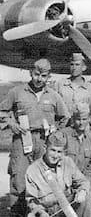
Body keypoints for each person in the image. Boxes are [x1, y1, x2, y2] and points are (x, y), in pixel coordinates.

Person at [0, 58, 70, 216]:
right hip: (23, 139)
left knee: (43, 179)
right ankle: (17, 213)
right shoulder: (17, 92)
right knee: (19, 178)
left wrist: (55, 130)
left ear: (49, 76)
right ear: (31, 73)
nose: (39, 79)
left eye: (44, 76)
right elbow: (2, 112)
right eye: (36, 74)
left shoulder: (53, 95)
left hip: (44, 143)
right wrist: (11, 123)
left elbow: (64, 117)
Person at [25, 132, 91, 217]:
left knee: (87, 197)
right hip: (47, 211)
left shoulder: (67, 162)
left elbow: (83, 181)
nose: (55, 155)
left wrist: (82, 191)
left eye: (59, 152)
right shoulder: (33, 170)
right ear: (45, 148)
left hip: (66, 206)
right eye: (53, 150)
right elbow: (31, 200)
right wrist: (41, 213)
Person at [60, 102, 91, 179]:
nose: (81, 123)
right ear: (73, 119)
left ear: (89, 119)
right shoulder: (63, 135)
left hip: (83, 179)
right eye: (78, 119)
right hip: (64, 178)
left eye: (84, 119)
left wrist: (84, 178)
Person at [54, 53, 91, 125]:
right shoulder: (60, 85)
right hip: (63, 127)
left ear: (84, 67)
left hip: (82, 127)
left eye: (77, 65)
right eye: (72, 64)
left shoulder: (90, 88)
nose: (74, 68)